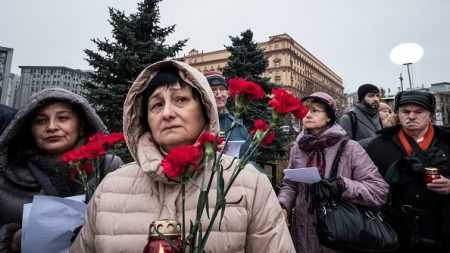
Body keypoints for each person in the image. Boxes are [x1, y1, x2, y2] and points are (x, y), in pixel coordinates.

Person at [70, 60, 295, 252]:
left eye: (181, 100)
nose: (167, 113)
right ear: (145, 118)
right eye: (157, 105)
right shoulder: (110, 188)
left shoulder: (250, 184)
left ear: (205, 108)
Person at [0, 87, 123, 252]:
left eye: (62, 118)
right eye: (41, 120)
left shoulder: (108, 167)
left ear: (81, 126)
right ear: (29, 129)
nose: (51, 127)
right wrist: (12, 239)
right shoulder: (7, 173)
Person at [278, 92, 388, 253]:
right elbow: (291, 185)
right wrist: (283, 205)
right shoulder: (298, 148)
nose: (307, 115)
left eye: (315, 111)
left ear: (329, 117)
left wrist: (342, 186)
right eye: (305, 110)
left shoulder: (350, 148)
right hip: (302, 235)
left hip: (338, 234)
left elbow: (379, 191)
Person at [366, 91, 450, 252]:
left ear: (431, 115)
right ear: (397, 113)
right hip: (394, 229)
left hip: (441, 226)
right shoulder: (379, 144)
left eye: (418, 112)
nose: (411, 116)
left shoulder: (446, 142)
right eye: (405, 111)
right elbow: (365, 180)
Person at [203, 71, 249, 141]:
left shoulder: (238, 126)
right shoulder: (197, 125)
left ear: (227, 94)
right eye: (213, 90)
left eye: (222, 89)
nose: (219, 95)